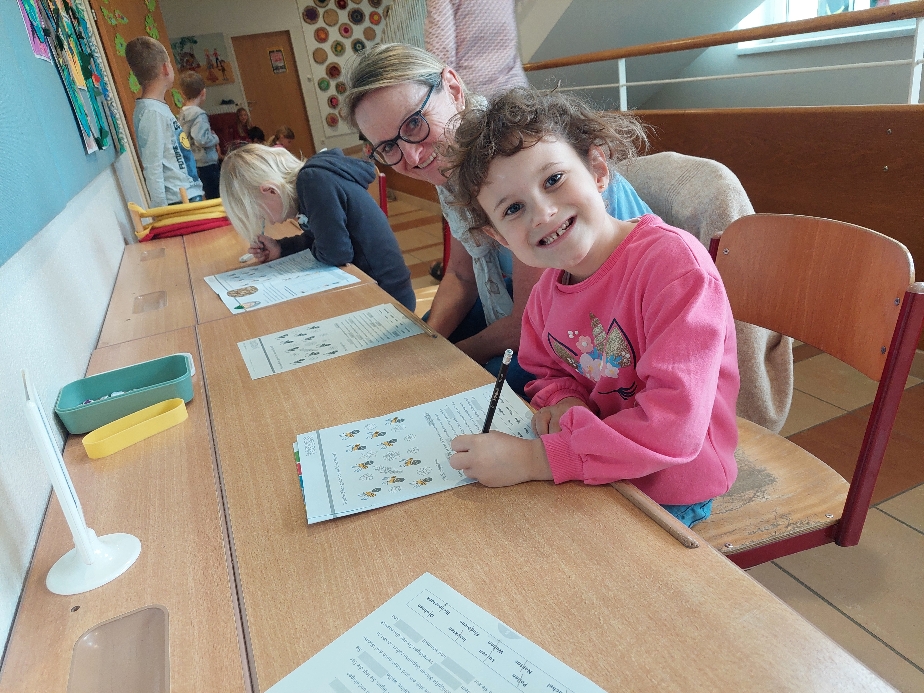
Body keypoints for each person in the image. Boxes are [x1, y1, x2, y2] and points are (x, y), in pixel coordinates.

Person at [444, 88, 739, 527]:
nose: (542, 214)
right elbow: (546, 370)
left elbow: (673, 429)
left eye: (553, 180)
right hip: (594, 466)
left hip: (671, 484)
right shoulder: (545, 294)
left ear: (598, 169)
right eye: (513, 208)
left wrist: (535, 459)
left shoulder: (674, 268)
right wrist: (565, 399)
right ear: (500, 238)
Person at [341, 43, 651, 398]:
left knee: (458, 389)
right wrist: (430, 341)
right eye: (388, 147)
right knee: (407, 348)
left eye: (414, 122)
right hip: (526, 301)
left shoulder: (507, 165)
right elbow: (461, 275)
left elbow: (528, 322)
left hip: (585, 319)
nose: (410, 155)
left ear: (453, 88)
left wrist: (444, 358)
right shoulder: (452, 167)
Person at [219, 144, 416, 311]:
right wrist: (281, 248)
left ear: (270, 190)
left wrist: (317, 248)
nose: (269, 223)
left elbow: (336, 253)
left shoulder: (313, 181)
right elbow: (320, 238)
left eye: (261, 216)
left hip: (388, 296)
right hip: (370, 287)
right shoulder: (308, 187)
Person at [125, 36, 203, 207]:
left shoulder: (158, 108)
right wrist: (161, 210)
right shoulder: (151, 112)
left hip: (188, 193)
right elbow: (152, 166)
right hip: (178, 199)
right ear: (166, 68)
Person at [177, 71, 221, 200]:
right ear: (203, 93)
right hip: (206, 163)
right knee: (215, 196)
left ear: (182, 94)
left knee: (203, 193)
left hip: (192, 162)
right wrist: (215, 138)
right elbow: (201, 139)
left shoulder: (182, 114)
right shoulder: (199, 115)